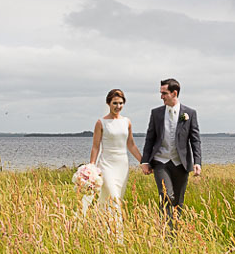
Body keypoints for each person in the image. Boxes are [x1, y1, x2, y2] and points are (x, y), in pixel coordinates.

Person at [140, 79, 202, 235]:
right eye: (161, 93)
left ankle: (175, 231)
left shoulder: (190, 113)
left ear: (174, 93)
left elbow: (195, 139)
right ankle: (166, 232)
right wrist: (145, 161)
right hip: (161, 161)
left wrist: (197, 162)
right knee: (166, 195)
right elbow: (150, 138)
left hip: (181, 163)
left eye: (164, 93)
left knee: (178, 200)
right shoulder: (156, 113)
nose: (161, 96)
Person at [86, 89, 143, 241]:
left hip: (122, 166)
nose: (118, 106)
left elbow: (131, 145)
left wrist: (142, 161)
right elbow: (96, 146)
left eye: (121, 103)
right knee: (114, 198)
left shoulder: (127, 122)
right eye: (115, 103)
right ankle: (118, 238)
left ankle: (102, 231)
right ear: (108, 103)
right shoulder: (101, 122)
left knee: (111, 201)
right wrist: (92, 166)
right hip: (106, 165)